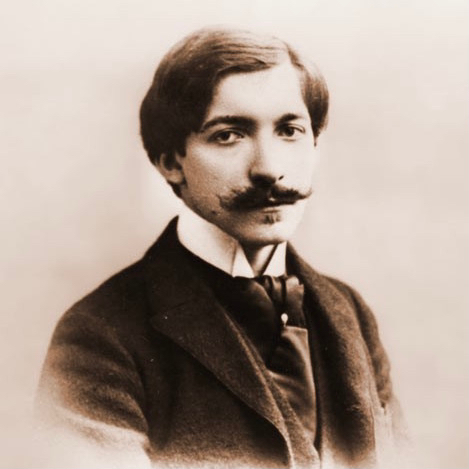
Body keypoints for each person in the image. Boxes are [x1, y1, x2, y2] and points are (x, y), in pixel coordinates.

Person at [36, 27, 405, 469]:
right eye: (229, 135)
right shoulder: (99, 337)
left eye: (289, 130)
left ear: (315, 144)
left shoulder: (350, 311)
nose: (269, 168)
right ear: (170, 162)